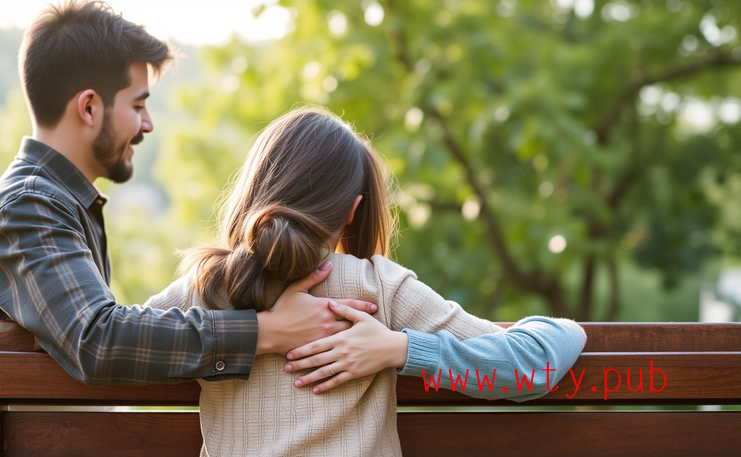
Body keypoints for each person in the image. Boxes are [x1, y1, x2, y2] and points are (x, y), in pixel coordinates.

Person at [0, 0, 377, 387]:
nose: (147, 125)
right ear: (89, 108)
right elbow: (98, 338)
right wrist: (267, 331)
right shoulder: (26, 206)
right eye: (138, 105)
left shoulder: (58, 201)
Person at [147, 107, 587, 456]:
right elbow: (536, 366)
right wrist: (403, 349)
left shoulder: (201, 290)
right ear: (353, 210)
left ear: (255, 187)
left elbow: (103, 341)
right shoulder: (377, 288)